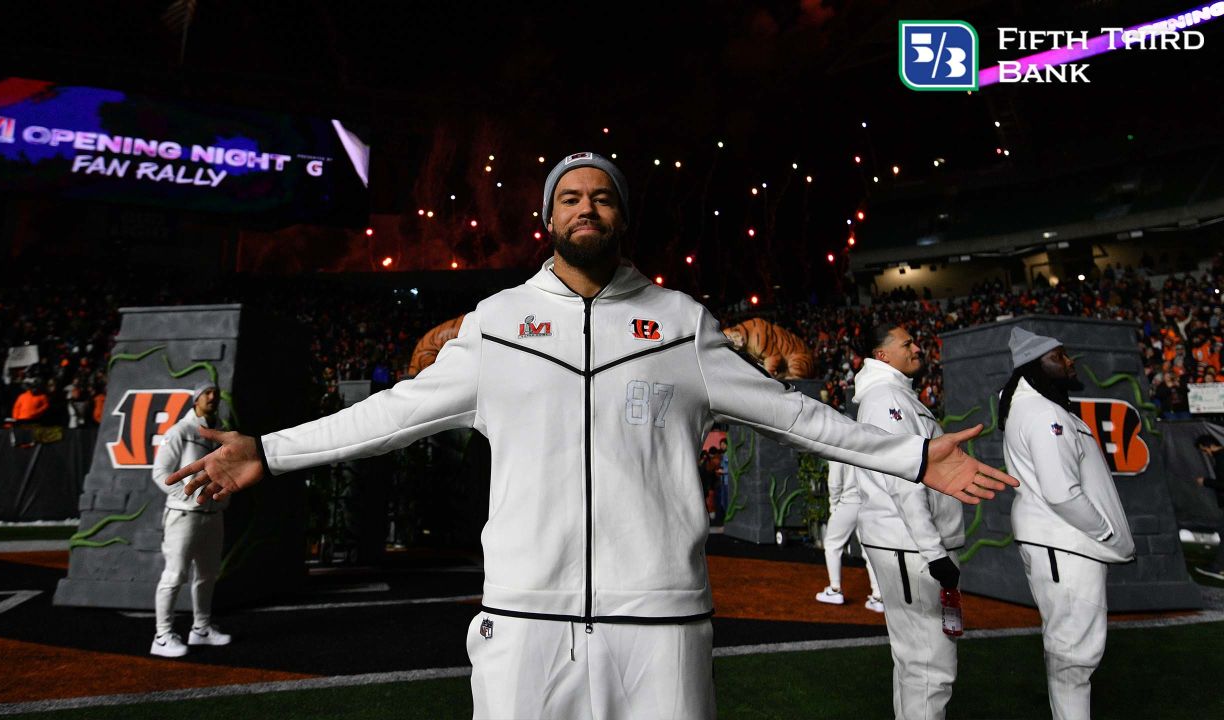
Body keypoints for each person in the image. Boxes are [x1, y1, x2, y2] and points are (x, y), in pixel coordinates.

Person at [168, 152, 1016, 719]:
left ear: (621, 217)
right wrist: (270, 450)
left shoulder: (681, 323)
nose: (586, 206)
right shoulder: (496, 325)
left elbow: (792, 414)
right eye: (570, 197)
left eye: (601, 195)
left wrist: (912, 454)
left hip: (662, 622)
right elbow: (388, 418)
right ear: (549, 218)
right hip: (526, 620)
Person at [999, 327, 1135, 720]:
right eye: (1058, 356)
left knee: (1070, 655)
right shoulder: (1043, 413)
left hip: (1061, 543)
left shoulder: (1039, 407)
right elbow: (1061, 493)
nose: (1069, 361)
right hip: (1067, 543)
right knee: (1074, 657)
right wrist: (1105, 532)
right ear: (1034, 366)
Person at [851, 324, 964, 720]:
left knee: (915, 665)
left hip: (906, 544)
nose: (917, 348)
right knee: (931, 669)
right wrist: (934, 553)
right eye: (907, 344)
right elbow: (905, 479)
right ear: (882, 356)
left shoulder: (891, 394)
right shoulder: (885, 398)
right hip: (910, 547)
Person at [150, 381, 233, 658]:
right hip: (183, 515)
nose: (213, 396)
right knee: (174, 576)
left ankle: (201, 629)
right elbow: (160, 472)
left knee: (207, 575)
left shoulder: (220, 434)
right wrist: (186, 496)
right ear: (196, 400)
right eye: (207, 393)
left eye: (215, 393)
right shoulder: (180, 431)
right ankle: (162, 636)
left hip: (213, 515)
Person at [817, 460, 883, 612]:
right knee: (868, 550)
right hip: (868, 503)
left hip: (848, 502)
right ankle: (879, 596)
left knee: (832, 544)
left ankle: (834, 590)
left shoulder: (838, 445)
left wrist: (833, 505)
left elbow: (834, 482)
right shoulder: (866, 443)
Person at [1193, 434, 1224, 580]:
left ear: (1210, 446)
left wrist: (1205, 481)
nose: (1205, 454)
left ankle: (1218, 568)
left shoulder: (1221, 458)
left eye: (1204, 450)